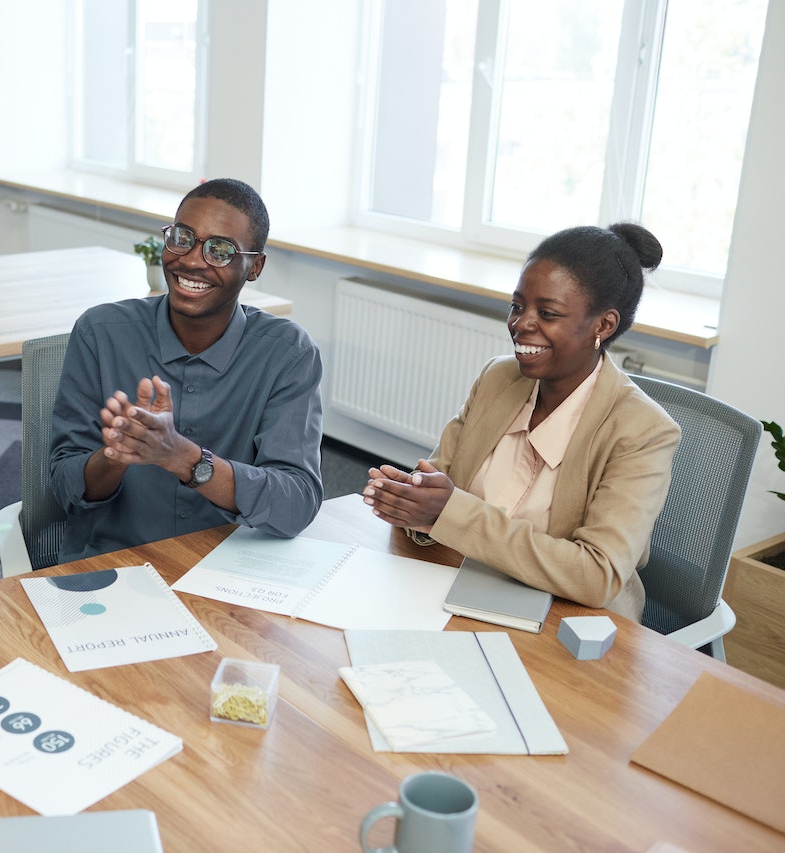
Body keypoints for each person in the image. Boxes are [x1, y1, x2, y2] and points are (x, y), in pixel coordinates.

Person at [363, 223, 680, 619]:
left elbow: (597, 575)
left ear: (603, 325)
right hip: (459, 588)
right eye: (517, 306)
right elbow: (440, 480)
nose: (521, 324)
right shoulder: (498, 378)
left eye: (547, 313)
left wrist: (449, 513)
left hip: (568, 622)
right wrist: (410, 501)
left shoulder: (643, 431)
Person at [50, 178, 324, 562]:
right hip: (115, 566)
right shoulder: (100, 332)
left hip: (230, 573)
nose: (192, 260)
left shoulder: (287, 353)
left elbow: (295, 506)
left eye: (220, 250)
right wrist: (114, 455)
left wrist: (184, 459)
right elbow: (63, 491)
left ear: (254, 267)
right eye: (182, 237)